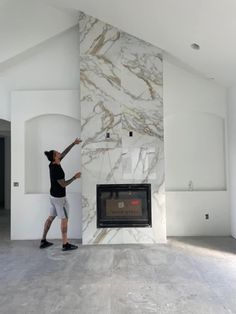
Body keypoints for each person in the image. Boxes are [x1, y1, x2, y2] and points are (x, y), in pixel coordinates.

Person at [40, 138, 82, 251]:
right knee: (65, 218)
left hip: (53, 197)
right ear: (55, 157)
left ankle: (43, 240)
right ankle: (65, 244)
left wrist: (73, 143)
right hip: (59, 199)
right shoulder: (56, 169)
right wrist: (75, 177)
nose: (59, 153)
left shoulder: (53, 163)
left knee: (50, 218)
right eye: (57, 153)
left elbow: (64, 152)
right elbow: (63, 184)